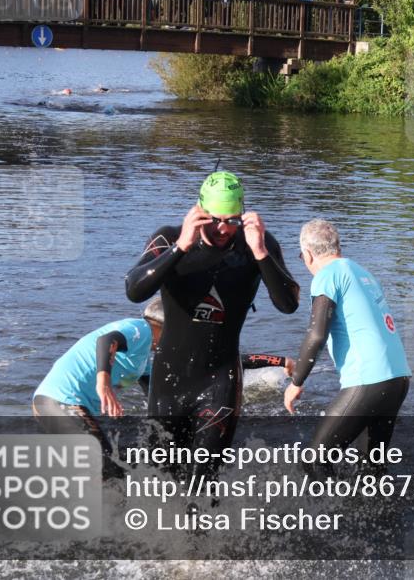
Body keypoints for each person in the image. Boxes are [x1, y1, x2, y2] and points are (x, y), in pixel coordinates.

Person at [124, 171, 300, 481]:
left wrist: (260, 252)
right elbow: (134, 290)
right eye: (215, 219)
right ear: (200, 211)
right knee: (162, 477)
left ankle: (207, 529)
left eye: (232, 220)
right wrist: (180, 247)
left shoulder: (257, 243)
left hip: (219, 380)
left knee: (204, 482)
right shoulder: (169, 237)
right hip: (169, 381)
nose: (223, 229)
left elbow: (289, 304)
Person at [284, 220, 411, 472]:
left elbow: (317, 334)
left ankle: (326, 512)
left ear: (308, 254)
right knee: (370, 469)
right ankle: (375, 511)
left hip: (369, 380)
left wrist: (296, 382)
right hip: (398, 378)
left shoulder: (327, 275)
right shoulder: (363, 273)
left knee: (314, 461)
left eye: (301, 256)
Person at [33, 298, 164, 478]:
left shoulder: (142, 357)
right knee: (106, 470)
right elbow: (106, 340)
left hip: (68, 405)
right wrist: (103, 382)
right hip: (58, 401)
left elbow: (154, 394)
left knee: (114, 470)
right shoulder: (140, 329)